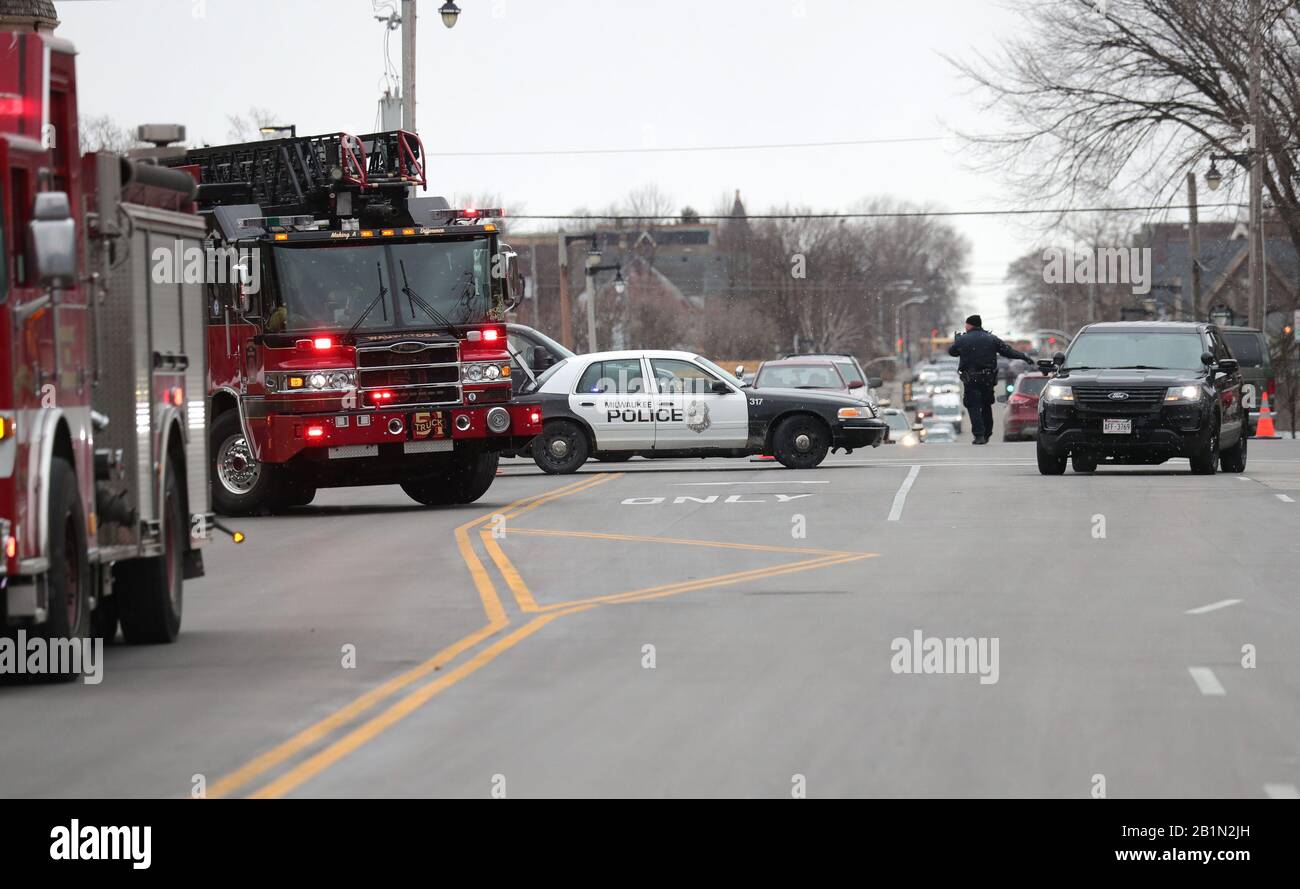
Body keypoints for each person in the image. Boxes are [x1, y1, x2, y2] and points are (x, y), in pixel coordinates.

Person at [947, 315, 1034, 444]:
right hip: (987, 378)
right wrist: (1024, 356)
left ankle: (979, 435)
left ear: (970, 325)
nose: (965, 327)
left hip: (971, 379)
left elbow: (952, 352)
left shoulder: (964, 339)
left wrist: (957, 342)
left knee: (973, 406)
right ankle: (987, 433)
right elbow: (1008, 351)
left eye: (966, 325)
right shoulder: (991, 339)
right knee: (986, 405)